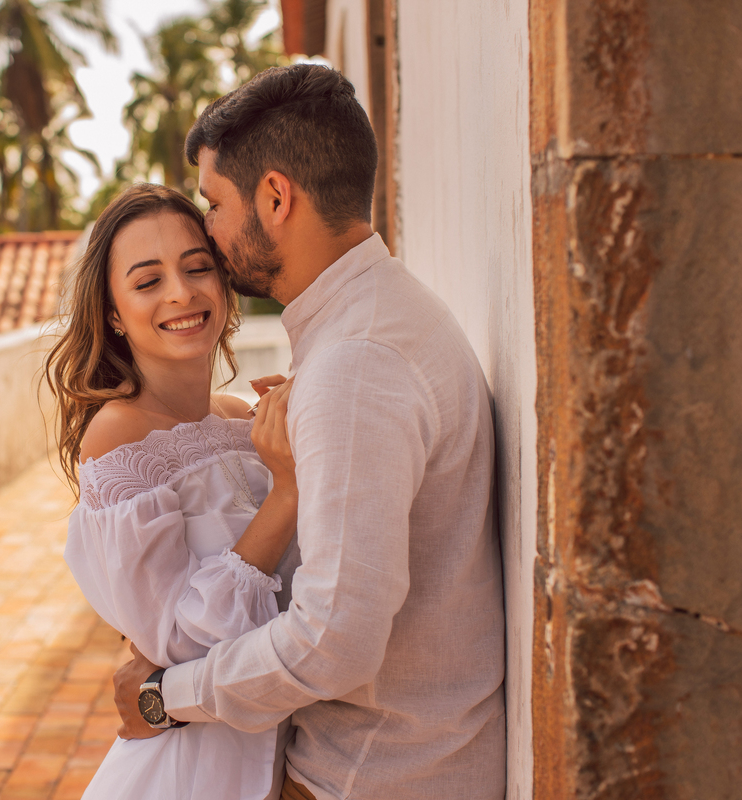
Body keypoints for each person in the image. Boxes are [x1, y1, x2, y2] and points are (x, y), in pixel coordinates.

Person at [111, 64, 506, 800]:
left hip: (369, 776)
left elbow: (335, 642)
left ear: (275, 196)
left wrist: (167, 696)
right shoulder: (381, 320)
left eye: (216, 205)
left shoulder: (354, 368)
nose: (210, 232)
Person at [43, 182, 304, 800]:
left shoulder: (242, 419)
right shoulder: (118, 437)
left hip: (287, 757)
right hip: (192, 775)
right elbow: (182, 644)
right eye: (147, 280)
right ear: (113, 312)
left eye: (197, 267)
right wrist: (285, 493)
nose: (182, 293)